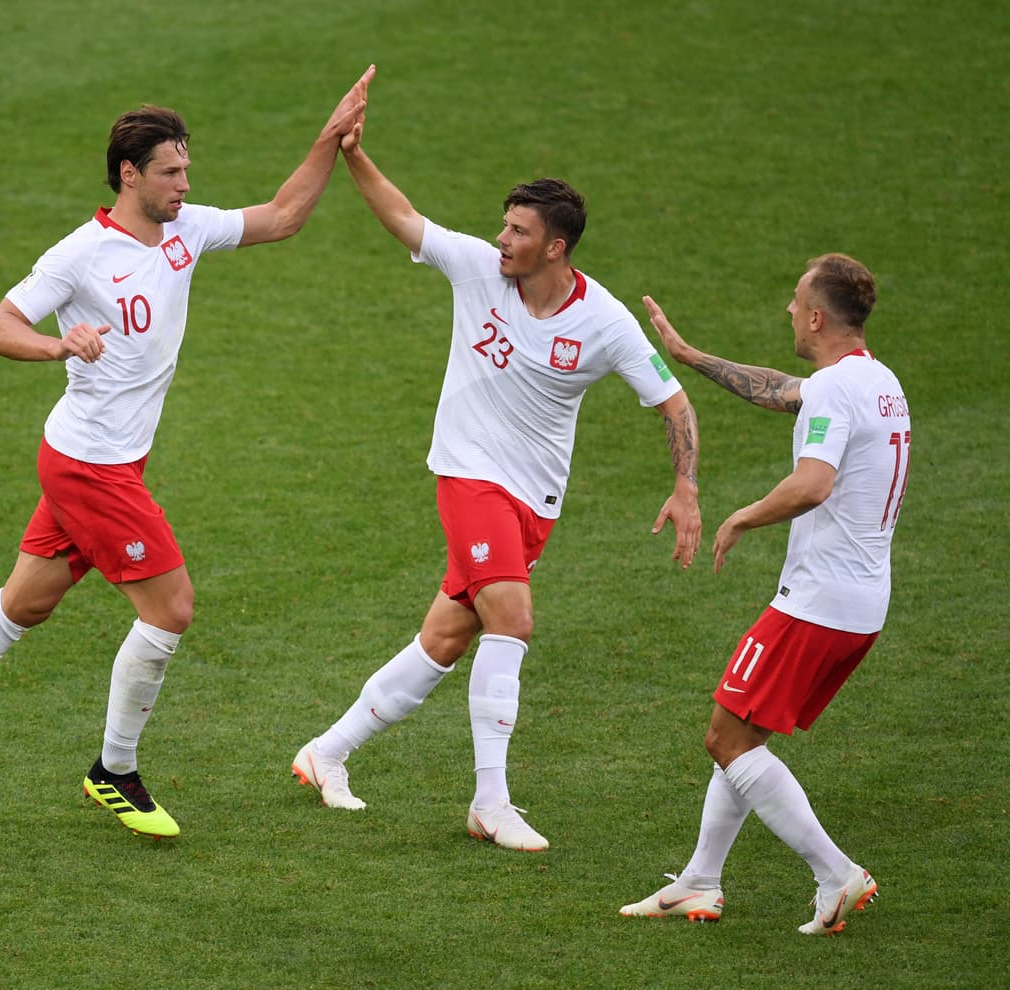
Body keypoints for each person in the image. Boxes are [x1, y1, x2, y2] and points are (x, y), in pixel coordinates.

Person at [0, 66, 376, 839]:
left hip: (107, 461)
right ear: (130, 174)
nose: (184, 183)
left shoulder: (188, 230)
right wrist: (57, 345)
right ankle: (114, 770)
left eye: (187, 170)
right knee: (171, 608)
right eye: (171, 172)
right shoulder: (80, 254)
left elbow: (282, 216)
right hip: (88, 467)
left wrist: (329, 141)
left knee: (25, 604)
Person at [290, 111, 703, 851]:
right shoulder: (480, 268)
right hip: (468, 476)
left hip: (533, 501)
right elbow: (405, 217)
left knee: (446, 638)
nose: (502, 239)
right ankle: (491, 801)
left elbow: (672, 399)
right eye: (502, 225)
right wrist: (354, 154)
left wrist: (687, 488)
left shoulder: (604, 322)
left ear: (556, 246)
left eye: (517, 231)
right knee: (512, 621)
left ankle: (326, 753)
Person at [619, 253, 911, 934]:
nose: (787, 310)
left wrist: (741, 516)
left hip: (816, 603)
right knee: (743, 732)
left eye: (794, 300)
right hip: (860, 604)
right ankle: (699, 880)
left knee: (726, 735)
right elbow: (781, 390)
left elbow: (814, 483)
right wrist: (689, 355)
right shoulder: (877, 380)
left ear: (816, 316)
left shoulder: (837, 391)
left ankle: (836, 873)